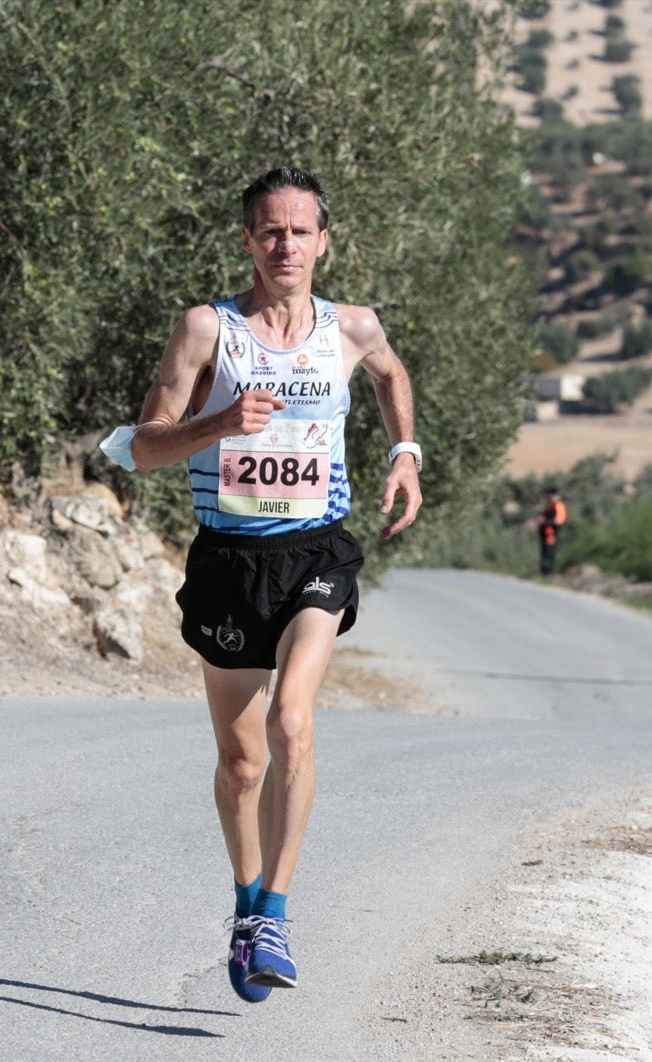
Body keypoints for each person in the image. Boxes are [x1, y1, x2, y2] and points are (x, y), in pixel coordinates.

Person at [106, 167, 421, 1003]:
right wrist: (218, 422)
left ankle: (276, 909)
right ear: (248, 240)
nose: (285, 245)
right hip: (227, 560)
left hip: (316, 550)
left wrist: (405, 455)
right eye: (269, 231)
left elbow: (391, 375)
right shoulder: (207, 330)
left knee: (292, 722)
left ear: (324, 240)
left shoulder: (352, 327)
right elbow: (142, 446)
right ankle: (247, 906)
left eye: (300, 231)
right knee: (243, 764)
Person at [537, 486, 566, 576]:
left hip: (551, 534)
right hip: (546, 533)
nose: (548, 498)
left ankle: (549, 573)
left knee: (549, 553)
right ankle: (544, 573)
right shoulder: (550, 506)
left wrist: (545, 521)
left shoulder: (558, 506)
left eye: (549, 496)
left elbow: (559, 521)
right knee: (544, 553)